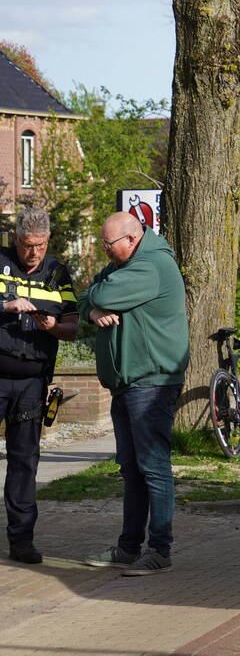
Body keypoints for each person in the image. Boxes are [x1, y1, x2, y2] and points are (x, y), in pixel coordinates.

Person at [79, 213, 188, 576]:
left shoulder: (150, 266)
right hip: (128, 382)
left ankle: (159, 550)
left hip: (151, 382)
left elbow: (101, 290)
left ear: (131, 238)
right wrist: (93, 310)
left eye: (108, 245)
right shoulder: (127, 264)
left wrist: (97, 298)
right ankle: (128, 548)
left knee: (153, 467)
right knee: (132, 470)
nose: (104, 251)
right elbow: (85, 298)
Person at [1, 208, 78, 564]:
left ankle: (21, 542)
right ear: (16, 239)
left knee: (24, 463)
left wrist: (52, 327)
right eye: (28, 245)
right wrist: (6, 305)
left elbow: (73, 327)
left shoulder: (58, 272)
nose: (34, 253)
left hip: (33, 381)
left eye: (41, 246)